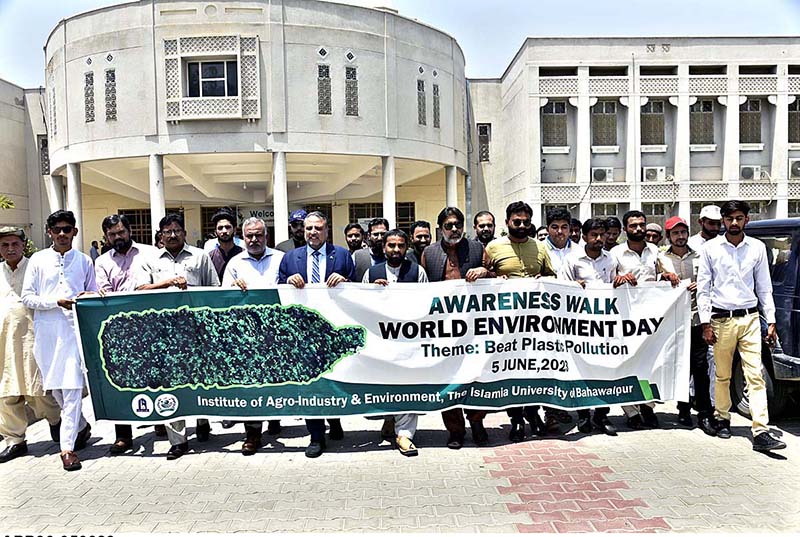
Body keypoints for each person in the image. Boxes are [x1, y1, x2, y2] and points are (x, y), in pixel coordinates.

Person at [696, 200, 785, 452]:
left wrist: (772, 320)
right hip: (721, 319)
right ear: (723, 220)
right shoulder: (711, 249)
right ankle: (722, 418)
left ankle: (761, 431)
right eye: (729, 218)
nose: (734, 223)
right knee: (722, 374)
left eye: (739, 218)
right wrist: (705, 323)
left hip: (750, 318)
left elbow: (764, 286)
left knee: (754, 374)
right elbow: (703, 289)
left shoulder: (756, 248)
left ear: (747, 219)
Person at [135, 213, 220, 460]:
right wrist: (168, 283)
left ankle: (203, 420)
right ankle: (178, 440)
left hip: (194, 330)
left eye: (177, 231)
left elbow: (212, 291)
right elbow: (140, 290)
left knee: (200, 376)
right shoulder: (149, 260)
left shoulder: (200, 256)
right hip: (163, 333)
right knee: (171, 383)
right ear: (160, 235)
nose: (172, 235)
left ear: (184, 232)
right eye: (167, 232)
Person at [21, 211, 96, 471]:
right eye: (57, 230)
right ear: (49, 232)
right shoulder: (38, 260)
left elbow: (92, 292)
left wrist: (88, 296)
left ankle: (67, 449)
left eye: (67, 229)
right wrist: (55, 302)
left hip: (74, 332)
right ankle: (82, 426)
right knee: (57, 391)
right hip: (47, 333)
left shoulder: (85, 260)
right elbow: (27, 298)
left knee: (73, 388)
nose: (62, 234)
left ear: (75, 231)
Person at [278, 211, 355, 458]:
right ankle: (316, 436)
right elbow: (278, 287)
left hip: (335, 327)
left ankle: (335, 420)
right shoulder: (291, 258)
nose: (313, 232)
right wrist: (288, 279)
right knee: (312, 382)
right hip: (305, 333)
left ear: (326, 230)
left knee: (336, 375)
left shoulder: (342, 255)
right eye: (308, 228)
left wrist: (344, 280)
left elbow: (358, 290)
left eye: (318, 228)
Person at [421, 206, 493, 449]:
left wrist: (485, 271)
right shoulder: (429, 253)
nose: (454, 229)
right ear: (440, 228)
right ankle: (455, 431)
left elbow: (495, 279)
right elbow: (421, 290)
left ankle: (478, 424)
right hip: (443, 333)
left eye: (458, 224)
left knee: (474, 376)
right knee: (448, 379)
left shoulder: (476, 248)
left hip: (474, 329)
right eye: (449, 225)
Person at [485, 201, 555, 442]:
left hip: (535, 326)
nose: (522, 225)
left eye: (526, 221)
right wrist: (495, 278)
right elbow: (484, 277)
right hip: (505, 326)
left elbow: (551, 277)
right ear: (507, 223)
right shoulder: (493, 247)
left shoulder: (540, 247)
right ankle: (515, 419)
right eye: (517, 222)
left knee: (534, 370)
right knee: (510, 371)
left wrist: (542, 279)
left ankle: (533, 415)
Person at [94, 214, 158, 454]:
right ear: (106, 237)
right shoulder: (101, 262)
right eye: (112, 234)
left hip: (152, 327)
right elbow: (105, 294)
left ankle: (161, 423)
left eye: (121, 232)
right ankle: (123, 436)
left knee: (156, 377)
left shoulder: (149, 253)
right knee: (121, 381)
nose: (117, 237)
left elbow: (160, 285)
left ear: (129, 231)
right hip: (119, 330)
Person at [610, 210, 679, 430]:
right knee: (626, 364)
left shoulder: (654, 252)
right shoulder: (615, 253)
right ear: (625, 230)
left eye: (642, 224)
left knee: (650, 364)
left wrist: (666, 276)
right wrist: (618, 278)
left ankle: (648, 407)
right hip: (625, 318)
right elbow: (607, 280)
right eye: (633, 226)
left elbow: (664, 274)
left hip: (650, 319)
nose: (639, 229)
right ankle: (631, 411)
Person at [363, 229, 428, 456]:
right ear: (384, 248)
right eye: (391, 245)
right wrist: (372, 292)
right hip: (382, 342)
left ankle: (405, 435)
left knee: (408, 384)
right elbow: (360, 307)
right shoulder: (371, 273)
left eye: (401, 245)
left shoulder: (417, 271)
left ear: (406, 248)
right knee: (385, 383)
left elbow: (426, 305)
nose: (396, 250)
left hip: (408, 341)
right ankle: (390, 419)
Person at [223, 217, 285, 455]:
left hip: (278, 333)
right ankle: (252, 434)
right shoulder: (235, 263)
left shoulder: (281, 258)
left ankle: (275, 418)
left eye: (259, 235)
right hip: (248, 336)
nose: (254, 239)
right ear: (243, 236)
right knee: (252, 383)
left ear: (266, 236)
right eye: (249, 236)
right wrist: (232, 288)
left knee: (277, 381)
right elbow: (223, 299)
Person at [0, 227, 62, 464]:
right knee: (6, 394)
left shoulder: (36, 269)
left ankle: (57, 421)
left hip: (33, 340)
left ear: (23, 245)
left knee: (38, 391)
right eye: (4, 245)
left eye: (14, 244)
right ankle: (15, 440)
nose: (10, 249)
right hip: (3, 343)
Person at [557, 218, 618, 436]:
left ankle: (601, 415)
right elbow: (561, 289)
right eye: (594, 235)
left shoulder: (610, 259)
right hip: (579, 325)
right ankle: (583, 415)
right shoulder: (572, 259)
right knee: (582, 370)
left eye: (602, 234)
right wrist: (573, 287)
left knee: (605, 369)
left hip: (604, 325)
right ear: (584, 236)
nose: (599, 239)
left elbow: (614, 288)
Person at [658, 216, 715, 435]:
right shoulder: (661, 259)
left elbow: (712, 281)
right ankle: (683, 409)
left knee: (701, 368)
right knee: (680, 367)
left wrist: (699, 285)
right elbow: (651, 285)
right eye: (675, 233)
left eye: (683, 232)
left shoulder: (701, 255)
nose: (680, 237)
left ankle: (704, 413)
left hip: (696, 319)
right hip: (672, 323)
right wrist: (663, 278)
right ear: (669, 236)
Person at [539, 207, 580, 429]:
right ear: (548, 229)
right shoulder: (538, 250)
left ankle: (570, 407)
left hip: (572, 319)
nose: (560, 232)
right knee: (548, 363)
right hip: (545, 318)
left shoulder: (580, 252)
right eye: (555, 227)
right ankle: (551, 411)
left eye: (564, 227)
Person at [207, 209, 243, 281]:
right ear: (215, 232)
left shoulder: (244, 254)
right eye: (220, 228)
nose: (224, 231)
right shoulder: (210, 257)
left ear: (235, 230)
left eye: (227, 227)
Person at [353, 218, 388, 282]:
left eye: (383, 234)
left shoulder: (395, 256)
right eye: (376, 234)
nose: (380, 238)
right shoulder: (357, 256)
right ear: (369, 236)